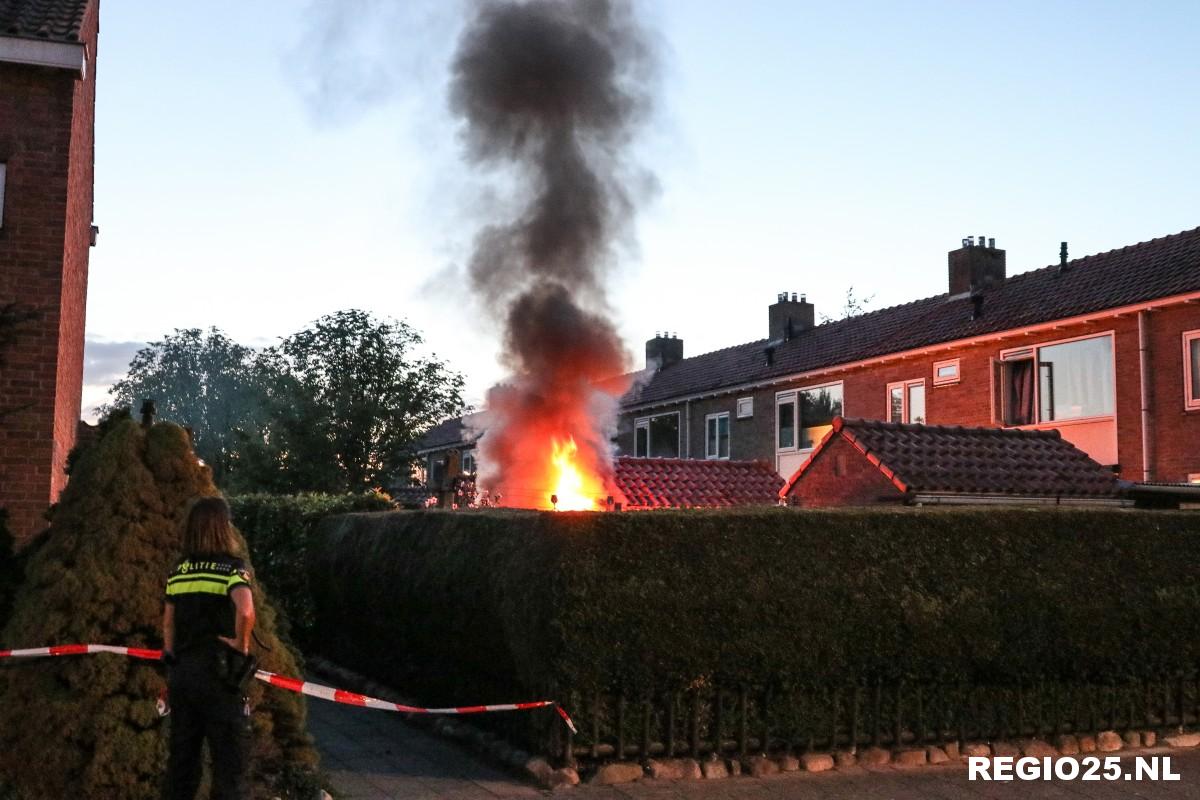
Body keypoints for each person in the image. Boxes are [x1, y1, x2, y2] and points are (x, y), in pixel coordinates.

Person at [162, 496, 257, 800]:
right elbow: (245, 610)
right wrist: (240, 644)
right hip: (220, 677)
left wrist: (172, 658)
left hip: (184, 675)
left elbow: (168, 625)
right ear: (223, 528)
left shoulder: (180, 571)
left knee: (182, 763)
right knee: (229, 765)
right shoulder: (232, 569)